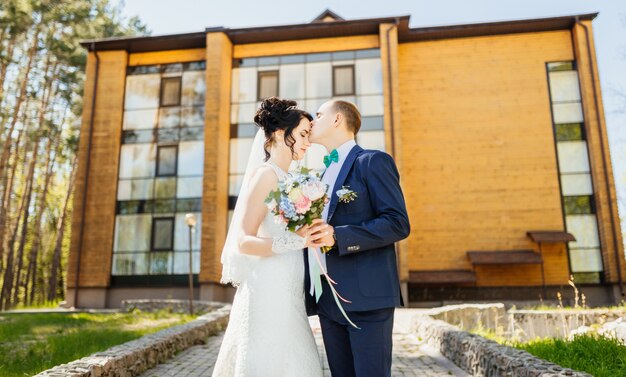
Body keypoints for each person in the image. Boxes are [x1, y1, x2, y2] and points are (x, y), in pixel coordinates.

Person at [212, 97, 327, 377]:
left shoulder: (291, 178)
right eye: (302, 134)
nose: (307, 142)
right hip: (268, 284)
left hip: (291, 281)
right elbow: (243, 241)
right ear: (278, 133)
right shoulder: (266, 176)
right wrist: (299, 240)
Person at [305, 100, 411, 377]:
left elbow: (397, 223)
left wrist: (338, 235)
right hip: (328, 300)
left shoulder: (373, 161)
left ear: (337, 119)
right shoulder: (318, 175)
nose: (312, 121)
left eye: (318, 115)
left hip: (367, 298)